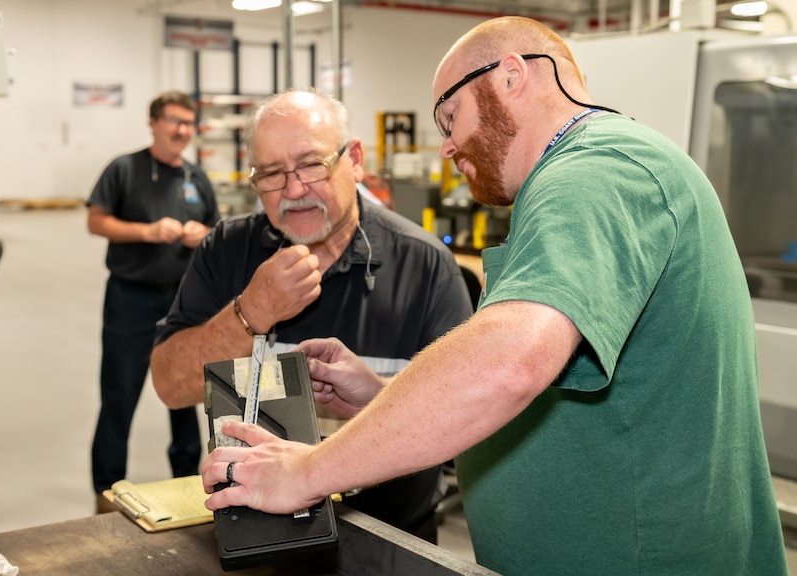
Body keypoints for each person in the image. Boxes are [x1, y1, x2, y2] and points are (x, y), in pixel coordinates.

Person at [198, 17, 789, 576]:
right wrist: (381, 399)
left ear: (512, 76)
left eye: (450, 116)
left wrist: (304, 473)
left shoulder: (597, 173)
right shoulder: (582, 178)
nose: (448, 147)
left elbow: (509, 364)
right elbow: (546, 391)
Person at [149, 89, 473, 542]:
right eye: (272, 174)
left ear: (354, 159)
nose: (294, 190)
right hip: (257, 537)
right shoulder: (226, 251)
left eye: (311, 165)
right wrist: (251, 312)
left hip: (391, 538)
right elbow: (169, 384)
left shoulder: (424, 265)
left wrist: (379, 395)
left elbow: (468, 414)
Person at [87, 90, 220, 510]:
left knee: (182, 394)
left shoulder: (195, 177)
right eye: (173, 121)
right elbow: (96, 221)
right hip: (131, 300)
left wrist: (204, 235)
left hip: (184, 306)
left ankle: (185, 482)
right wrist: (146, 231)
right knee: (120, 395)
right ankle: (106, 492)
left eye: (187, 123)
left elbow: (216, 228)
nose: (181, 130)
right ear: (154, 123)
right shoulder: (124, 170)